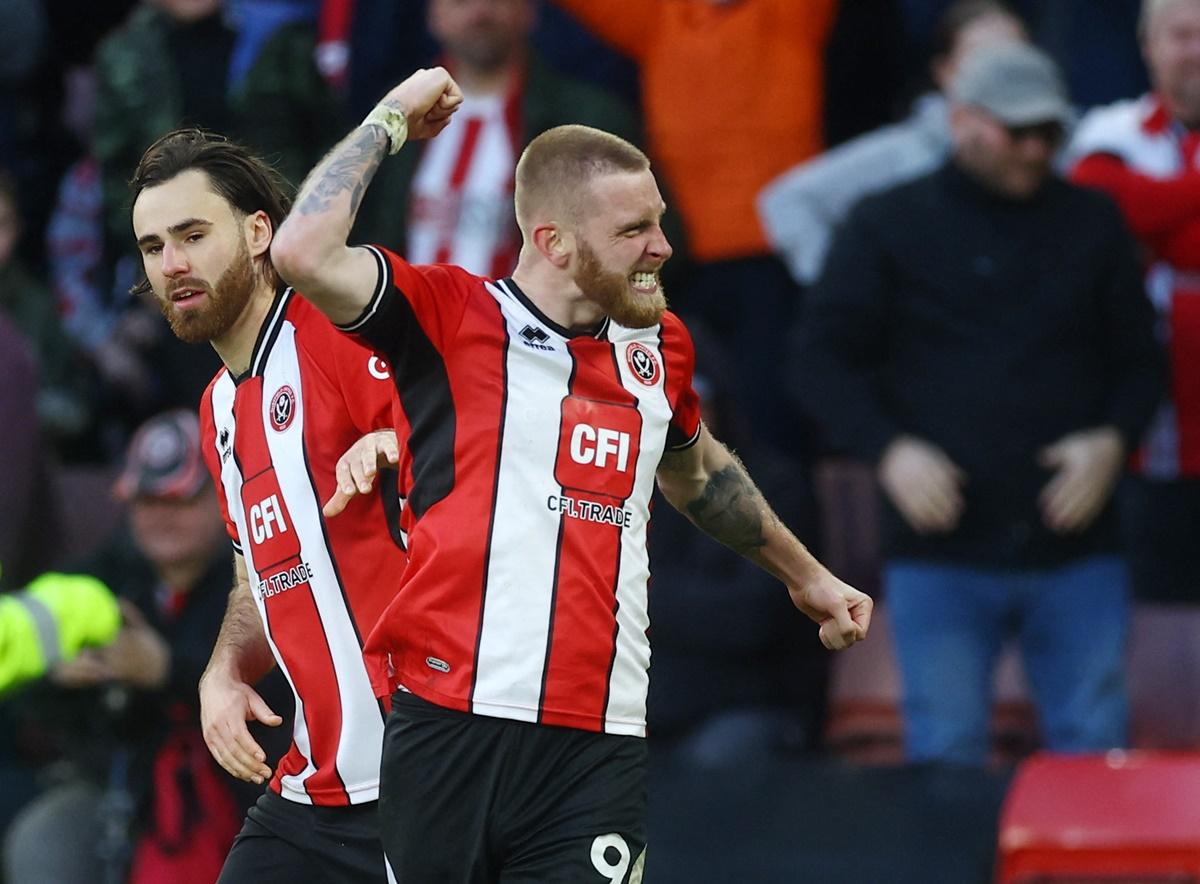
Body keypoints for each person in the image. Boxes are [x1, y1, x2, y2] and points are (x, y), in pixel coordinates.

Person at [270, 66, 872, 881]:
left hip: (599, 741)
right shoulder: (449, 316)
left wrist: (806, 576)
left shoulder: (660, 350)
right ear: (552, 240)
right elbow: (302, 252)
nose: (663, 245)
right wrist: (392, 116)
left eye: (658, 222)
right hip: (453, 725)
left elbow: (695, 474)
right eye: (634, 230)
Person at [794, 43, 1165, 766]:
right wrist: (889, 450)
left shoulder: (1092, 222)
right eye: (1016, 131)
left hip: (1076, 543)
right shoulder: (887, 222)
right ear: (963, 121)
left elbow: (1140, 363)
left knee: (1093, 754)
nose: (1034, 149)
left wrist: (1113, 441)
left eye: (1049, 134)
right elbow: (818, 360)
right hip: (942, 544)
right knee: (946, 759)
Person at [128, 128, 406, 882]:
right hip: (315, 786)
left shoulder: (338, 332)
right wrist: (221, 671)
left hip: (427, 773)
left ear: (259, 233)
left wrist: (396, 447)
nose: (172, 264)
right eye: (153, 247)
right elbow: (260, 572)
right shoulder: (218, 407)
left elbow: (479, 448)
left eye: (193, 235)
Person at [2, 409, 253, 884]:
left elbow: (286, 703)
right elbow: (33, 710)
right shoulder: (100, 576)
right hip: (118, 789)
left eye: (179, 499)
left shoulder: (259, 578)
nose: (160, 515)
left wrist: (164, 670)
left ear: (224, 495)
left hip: (247, 791)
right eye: (145, 499)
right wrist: (60, 680)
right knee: (45, 841)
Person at [1064, 0, 1200, 604]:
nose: (1198, 49)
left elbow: (1167, 234)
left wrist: (1158, 221)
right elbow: (1101, 211)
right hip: (1143, 440)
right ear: (1148, 47)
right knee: (1157, 631)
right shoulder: (1108, 130)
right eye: (1183, 33)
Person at [352, 0, 640, 279]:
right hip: (404, 322)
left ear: (529, 10)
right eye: (460, 2)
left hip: (528, 326)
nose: (480, 12)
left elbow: (639, 233)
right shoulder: (391, 114)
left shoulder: (589, 120)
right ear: (432, 15)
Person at [759, 0, 1027, 286]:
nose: (1004, 72)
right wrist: (849, 292)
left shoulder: (1062, 143)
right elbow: (788, 201)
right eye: (984, 59)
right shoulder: (903, 153)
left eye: (1018, 57)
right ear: (945, 71)